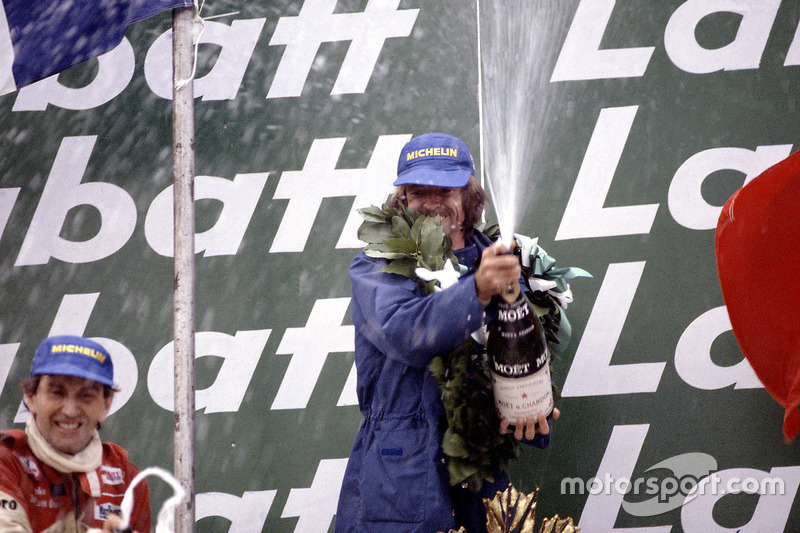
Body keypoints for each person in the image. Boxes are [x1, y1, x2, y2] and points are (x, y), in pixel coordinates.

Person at [336, 133, 560, 533]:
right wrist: (476, 290)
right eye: (419, 190)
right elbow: (406, 332)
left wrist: (532, 408)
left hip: (483, 477)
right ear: (402, 199)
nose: (432, 201)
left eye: (445, 189)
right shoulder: (375, 265)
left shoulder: (499, 261)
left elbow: (519, 351)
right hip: (401, 477)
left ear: (469, 195)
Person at [0, 335, 151, 533]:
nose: (70, 411)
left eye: (86, 395)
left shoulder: (127, 479)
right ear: (30, 397)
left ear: (106, 405)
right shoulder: (6, 462)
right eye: (57, 392)